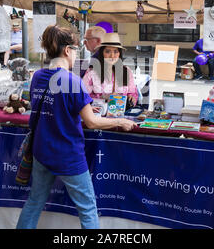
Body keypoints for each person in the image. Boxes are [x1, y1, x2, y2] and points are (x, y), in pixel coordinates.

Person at [16, 25, 136, 229]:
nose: (76, 55)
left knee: (34, 203)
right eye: (75, 50)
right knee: (88, 209)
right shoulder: (72, 81)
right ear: (66, 50)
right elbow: (92, 121)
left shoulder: (37, 77)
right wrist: (120, 121)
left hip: (41, 152)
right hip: (67, 154)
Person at [82, 32, 138, 106]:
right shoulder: (91, 72)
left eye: (115, 52)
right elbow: (83, 97)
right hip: (99, 115)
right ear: (102, 53)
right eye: (108, 51)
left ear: (119, 54)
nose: (112, 56)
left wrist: (132, 97)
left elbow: (133, 92)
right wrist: (104, 98)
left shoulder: (126, 71)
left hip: (121, 115)